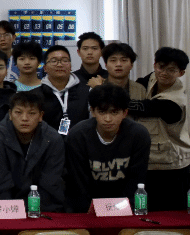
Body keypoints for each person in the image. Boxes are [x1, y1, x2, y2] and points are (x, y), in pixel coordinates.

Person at [65, 85, 151, 213]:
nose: (108, 119)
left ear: (125, 113)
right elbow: (78, 183)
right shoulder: (77, 135)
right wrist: (91, 209)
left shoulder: (139, 135)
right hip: (86, 208)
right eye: (102, 112)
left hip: (125, 207)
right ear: (92, 111)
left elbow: (136, 179)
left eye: (114, 112)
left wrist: (120, 209)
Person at [129, 47, 190, 211]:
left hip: (171, 166)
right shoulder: (150, 79)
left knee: (169, 212)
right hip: (148, 160)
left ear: (181, 73)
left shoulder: (175, 102)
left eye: (171, 70)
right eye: (161, 67)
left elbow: (145, 107)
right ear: (154, 65)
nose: (164, 73)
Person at [0, 91, 66, 212]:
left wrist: (34, 211)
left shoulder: (52, 139)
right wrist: (15, 212)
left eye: (31, 113)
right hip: (5, 209)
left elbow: (51, 185)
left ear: (40, 116)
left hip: (42, 208)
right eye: (18, 112)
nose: (24, 118)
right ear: (10, 114)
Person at [39, 45, 91, 134]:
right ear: (45, 68)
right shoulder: (35, 95)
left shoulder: (87, 92)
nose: (59, 64)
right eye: (54, 61)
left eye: (65, 60)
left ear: (71, 66)